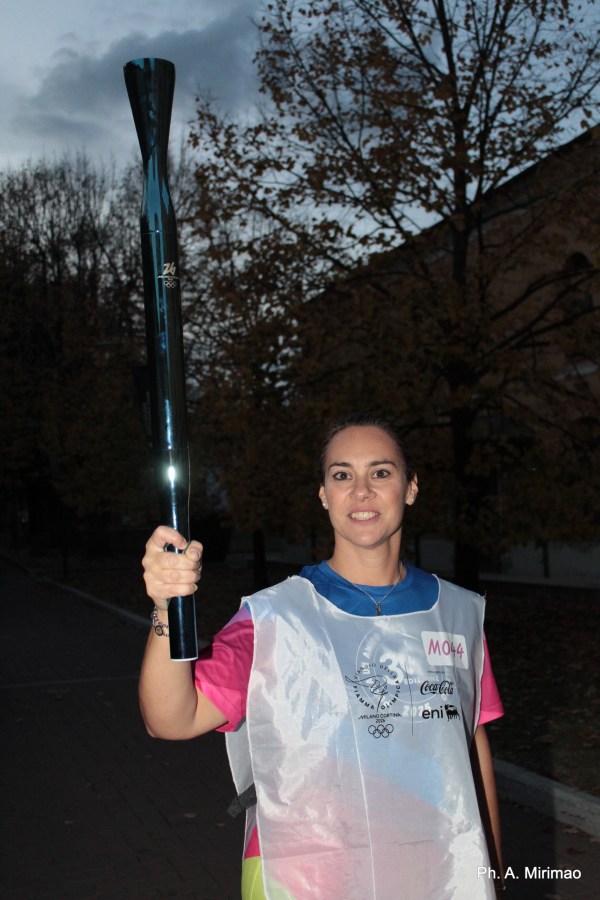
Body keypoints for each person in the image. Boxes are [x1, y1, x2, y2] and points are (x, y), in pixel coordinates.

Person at [140, 413, 505, 899]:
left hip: (437, 873)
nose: (361, 491)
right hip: (307, 879)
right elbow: (170, 718)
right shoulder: (273, 618)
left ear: (411, 487)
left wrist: (494, 872)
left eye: (380, 472)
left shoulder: (458, 612)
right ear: (323, 494)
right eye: (341, 475)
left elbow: (472, 745)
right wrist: (166, 608)